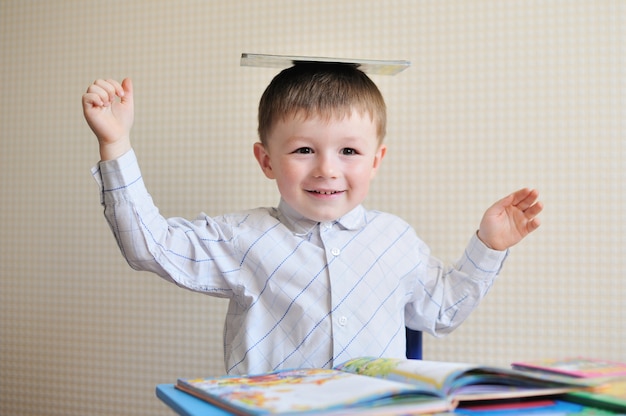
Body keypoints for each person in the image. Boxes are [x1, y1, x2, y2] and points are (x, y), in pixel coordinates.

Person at [82, 63, 542, 375]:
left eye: (349, 151)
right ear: (266, 161)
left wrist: (490, 246)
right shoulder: (243, 238)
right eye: (304, 150)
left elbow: (442, 313)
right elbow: (150, 246)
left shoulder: (395, 239)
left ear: (376, 159)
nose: (327, 169)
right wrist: (116, 144)